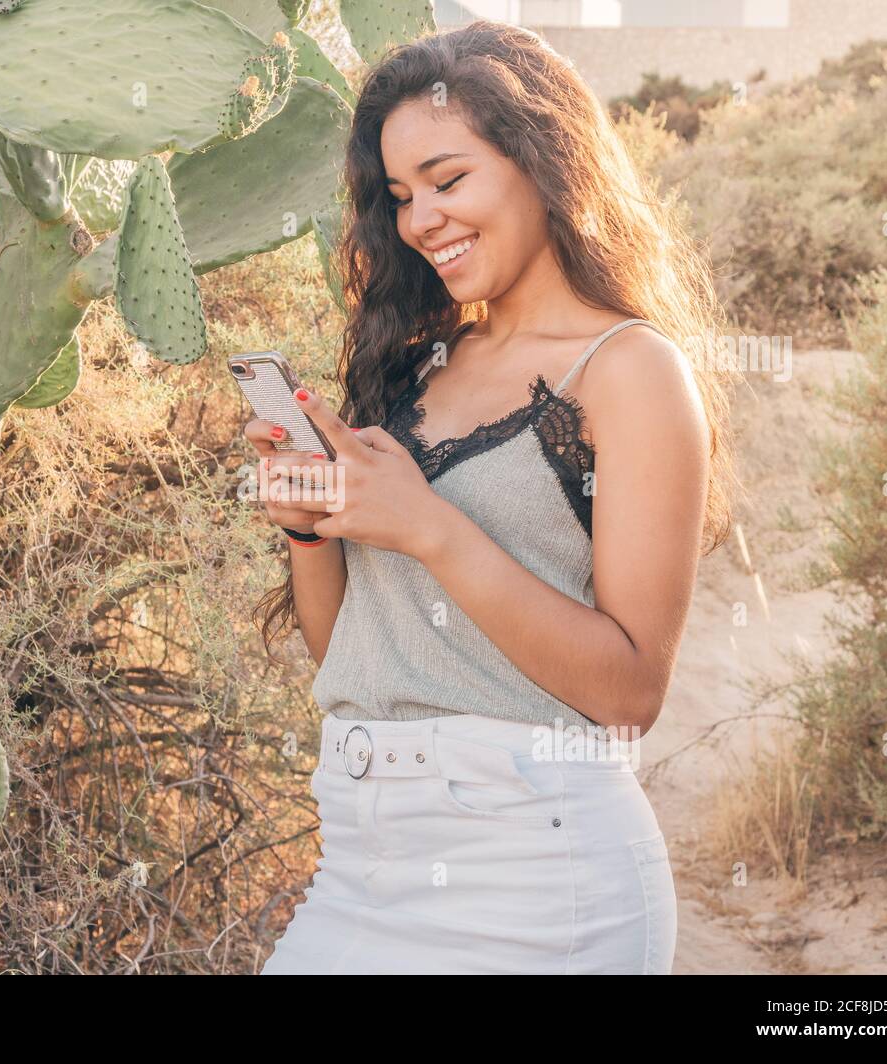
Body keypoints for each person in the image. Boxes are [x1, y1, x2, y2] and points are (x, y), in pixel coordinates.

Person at [247, 21, 738, 974]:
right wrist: (313, 533)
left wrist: (430, 529)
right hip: (358, 851)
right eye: (398, 198)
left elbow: (632, 692)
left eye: (448, 179)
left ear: (541, 161)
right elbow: (355, 650)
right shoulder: (417, 366)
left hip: (537, 868)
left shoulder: (629, 371)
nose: (420, 220)